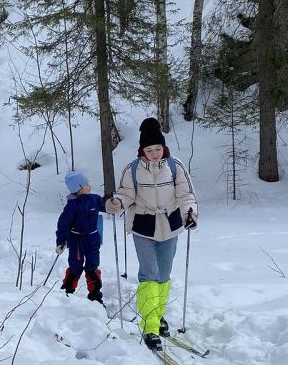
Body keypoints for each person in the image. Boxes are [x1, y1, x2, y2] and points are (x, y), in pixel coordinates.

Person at [105, 117, 198, 350]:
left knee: (163, 275)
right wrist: (116, 203)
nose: (154, 154)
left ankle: (157, 315)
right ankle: (150, 326)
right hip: (143, 226)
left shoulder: (175, 166)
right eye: (149, 150)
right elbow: (126, 195)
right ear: (142, 151)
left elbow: (186, 195)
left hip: (170, 225)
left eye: (157, 148)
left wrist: (190, 213)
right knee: (149, 274)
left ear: (163, 147)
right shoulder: (133, 169)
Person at [55, 170, 104, 303]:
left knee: (93, 266)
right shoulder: (72, 206)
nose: (90, 186)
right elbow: (63, 224)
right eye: (86, 185)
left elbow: (105, 205)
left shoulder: (94, 199)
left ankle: (95, 294)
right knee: (75, 266)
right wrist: (61, 241)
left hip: (93, 239)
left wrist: (112, 202)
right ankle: (68, 291)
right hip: (77, 240)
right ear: (79, 188)